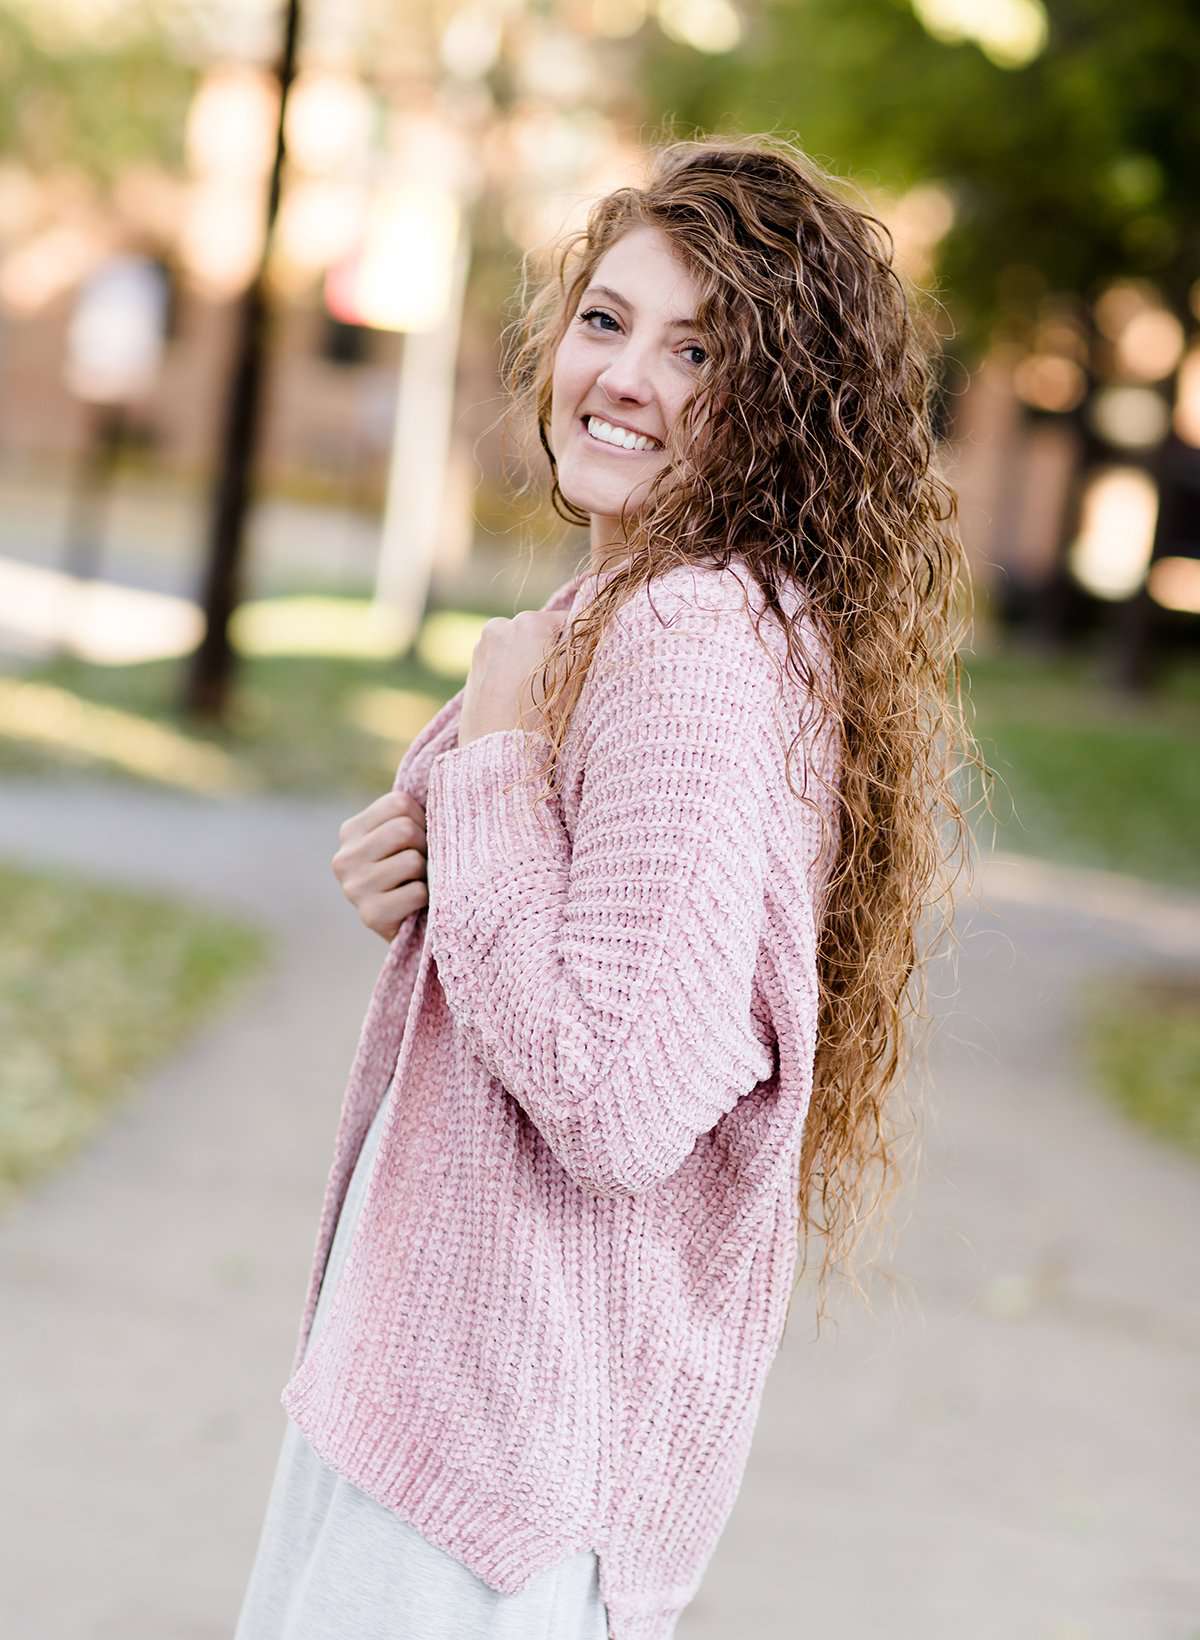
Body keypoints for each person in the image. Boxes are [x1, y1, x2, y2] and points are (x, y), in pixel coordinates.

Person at [233, 134, 984, 1640]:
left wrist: (497, 763)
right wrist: (434, 866)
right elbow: (612, 968)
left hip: (484, 1490)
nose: (624, 375)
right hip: (451, 1418)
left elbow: (616, 1094)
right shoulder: (641, 612)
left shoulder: (694, 644)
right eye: (606, 319)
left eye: (698, 349)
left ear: (780, 410)